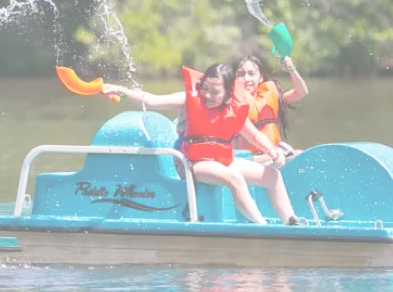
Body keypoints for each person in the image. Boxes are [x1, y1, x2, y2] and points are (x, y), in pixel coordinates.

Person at [102, 63, 301, 225]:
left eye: (214, 92)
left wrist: (272, 150)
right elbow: (152, 100)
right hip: (192, 163)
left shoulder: (235, 109)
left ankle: (290, 222)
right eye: (205, 88)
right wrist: (123, 91)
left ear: (228, 93)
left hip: (222, 160)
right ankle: (262, 228)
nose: (207, 95)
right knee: (234, 178)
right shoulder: (190, 100)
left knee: (272, 176)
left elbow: (255, 137)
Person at [230, 55, 309, 162]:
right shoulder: (229, 100)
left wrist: (291, 69)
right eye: (241, 74)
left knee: (301, 154)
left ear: (260, 77)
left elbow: (302, 92)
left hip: (273, 152)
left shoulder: (270, 95)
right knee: (295, 154)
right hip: (249, 158)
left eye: (251, 74)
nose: (246, 79)